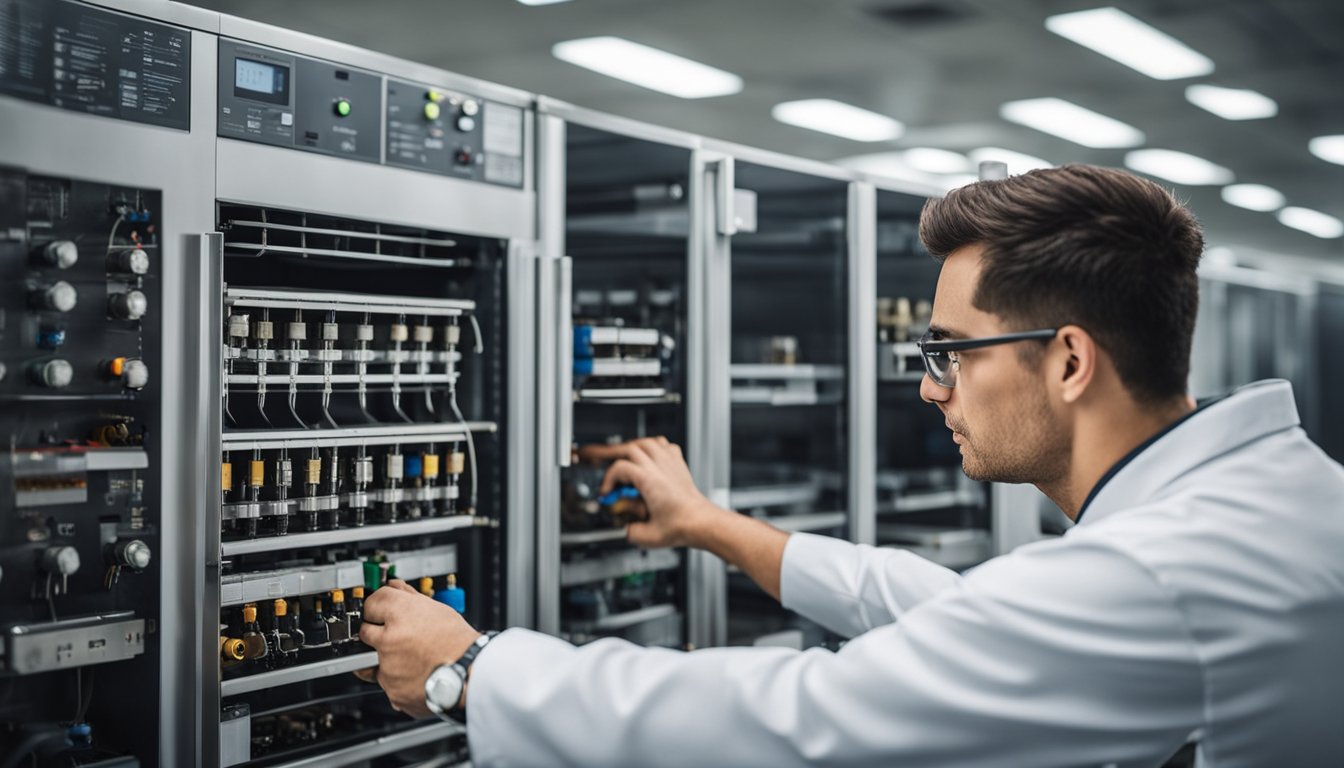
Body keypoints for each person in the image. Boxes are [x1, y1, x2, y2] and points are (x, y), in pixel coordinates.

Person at [357, 164, 1344, 767]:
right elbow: (965, 614)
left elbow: (804, 725)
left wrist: (475, 674)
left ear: (1071, 360)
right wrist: (717, 527)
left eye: (950, 352)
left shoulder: (1159, 574)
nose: (929, 388)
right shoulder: (1269, 500)